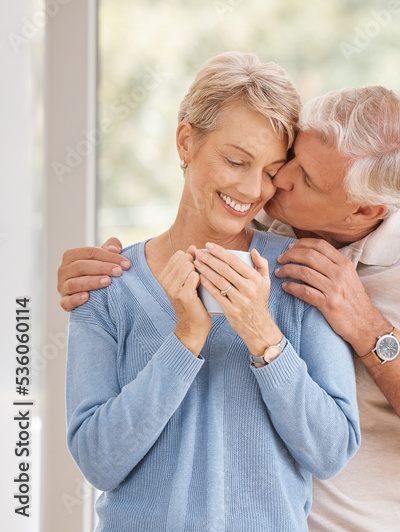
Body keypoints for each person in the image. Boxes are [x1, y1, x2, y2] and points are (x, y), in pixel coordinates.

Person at [59, 86, 400, 531]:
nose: (275, 183)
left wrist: (368, 328)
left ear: (363, 210)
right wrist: (101, 276)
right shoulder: (268, 211)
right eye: (289, 158)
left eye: (303, 178)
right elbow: (211, 194)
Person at [64, 52, 360, 531]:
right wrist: (184, 341)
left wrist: (263, 335)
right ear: (186, 142)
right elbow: (99, 462)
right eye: (236, 160)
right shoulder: (108, 289)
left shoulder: (299, 275)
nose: (251, 189)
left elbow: (331, 452)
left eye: (270, 170)